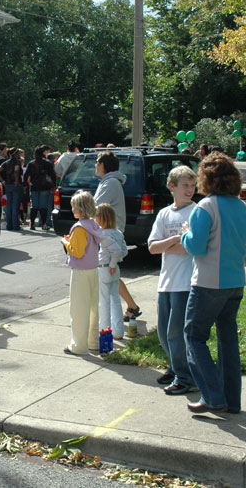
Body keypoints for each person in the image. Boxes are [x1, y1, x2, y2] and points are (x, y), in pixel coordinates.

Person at [180, 153, 246, 414]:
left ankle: (212, 396)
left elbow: (196, 247)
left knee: (193, 336)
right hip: (235, 283)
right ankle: (232, 400)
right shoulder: (244, 208)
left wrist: (185, 233)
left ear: (205, 179)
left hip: (208, 283)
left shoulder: (205, 207)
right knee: (227, 340)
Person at [148, 165, 198, 394]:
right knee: (163, 332)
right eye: (185, 185)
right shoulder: (164, 213)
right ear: (172, 186)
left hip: (185, 283)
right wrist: (175, 240)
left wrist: (169, 244)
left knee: (176, 333)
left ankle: (185, 377)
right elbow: (152, 247)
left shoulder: (197, 212)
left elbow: (191, 248)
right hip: (166, 282)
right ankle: (174, 366)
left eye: (192, 185)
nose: (190, 189)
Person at [92, 151, 141, 321]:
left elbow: (96, 206)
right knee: (110, 273)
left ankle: (128, 308)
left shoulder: (110, 183)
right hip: (110, 232)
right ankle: (131, 306)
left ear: (104, 165)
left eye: (97, 163)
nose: (95, 166)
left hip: (109, 234)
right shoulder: (109, 182)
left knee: (108, 273)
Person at [60, 190, 103, 355]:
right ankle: (93, 342)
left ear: (80, 208)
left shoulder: (79, 228)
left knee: (79, 309)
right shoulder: (93, 225)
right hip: (93, 270)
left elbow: (76, 252)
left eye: (74, 206)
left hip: (80, 272)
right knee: (93, 308)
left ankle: (78, 345)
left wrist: (66, 242)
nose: (72, 209)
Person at [95, 203, 127, 343]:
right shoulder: (118, 233)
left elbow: (116, 250)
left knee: (104, 303)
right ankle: (118, 331)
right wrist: (116, 262)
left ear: (100, 218)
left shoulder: (102, 234)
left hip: (104, 268)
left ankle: (105, 336)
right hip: (114, 270)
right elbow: (123, 250)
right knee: (115, 301)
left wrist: (112, 262)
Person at [24, 144, 56, 230]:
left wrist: (25, 185)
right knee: (43, 207)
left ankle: (32, 224)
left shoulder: (31, 164)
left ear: (35, 154)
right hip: (45, 187)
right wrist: (54, 185)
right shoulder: (47, 163)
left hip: (34, 187)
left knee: (34, 207)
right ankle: (44, 224)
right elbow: (53, 175)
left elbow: (25, 176)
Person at [0, 147, 23, 231]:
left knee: (9, 205)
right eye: (18, 153)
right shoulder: (17, 162)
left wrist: (3, 181)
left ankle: (9, 225)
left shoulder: (6, 162)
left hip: (7, 185)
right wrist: (17, 181)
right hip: (15, 185)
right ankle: (15, 226)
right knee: (15, 206)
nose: (19, 155)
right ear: (15, 154)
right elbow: (16, 171)